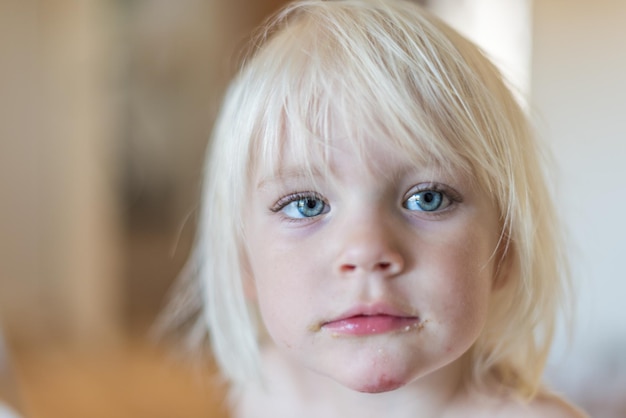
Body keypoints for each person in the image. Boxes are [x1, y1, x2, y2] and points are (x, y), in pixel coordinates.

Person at [173, 0, 587, 416]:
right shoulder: (265, 391)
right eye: (306, 205)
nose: (366, 250)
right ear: (244, 258)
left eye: (428, 198)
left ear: (506, 247)